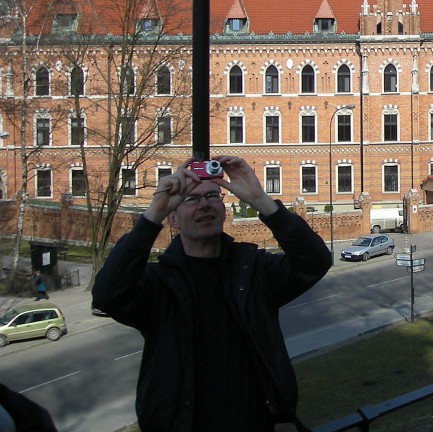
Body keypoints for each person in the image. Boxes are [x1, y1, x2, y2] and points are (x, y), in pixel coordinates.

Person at [91, 156, 332, 432]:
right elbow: (107, 295)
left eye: (212, 196)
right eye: (191, 199)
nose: (205, 204)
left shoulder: (253, 271)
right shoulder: (157, 282)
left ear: (224, 210)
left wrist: (260, 200)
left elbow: (315, 262)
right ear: (173, 218)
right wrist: (152, 215)